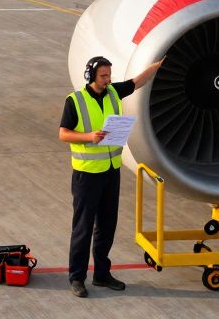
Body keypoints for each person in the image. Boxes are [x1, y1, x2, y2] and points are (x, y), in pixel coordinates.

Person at [58, 55, 163, 298]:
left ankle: (102, 274)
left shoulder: (113, 93)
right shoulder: (76, 101)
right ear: (91, 76)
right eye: (103, 76)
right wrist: (88, 137)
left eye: (109, 75)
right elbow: (63, 133)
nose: (108, 80)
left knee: (107, 226)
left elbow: (137, 82)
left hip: (110, 172)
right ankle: (77, 277)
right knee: (83, 228)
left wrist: (159, 65)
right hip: (86, 176)